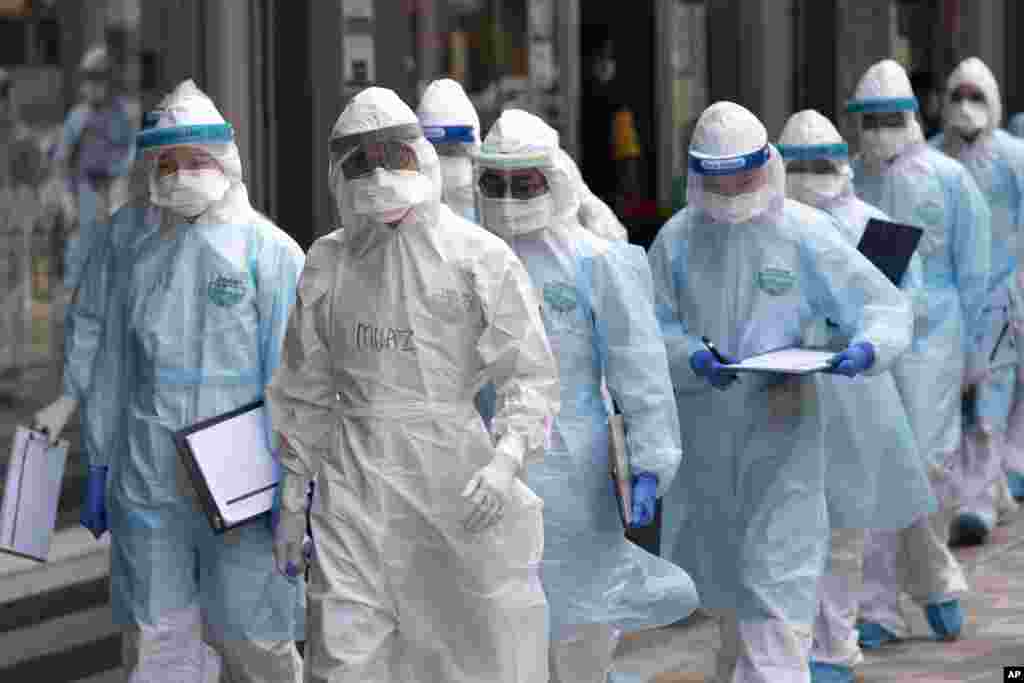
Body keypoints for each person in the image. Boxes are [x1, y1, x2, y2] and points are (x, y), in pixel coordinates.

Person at [266, 87, 560, 683]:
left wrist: (505, 462)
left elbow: (527, 374)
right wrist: (293, 501)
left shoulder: (480, 256)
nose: (377, 174)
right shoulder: (328, 261)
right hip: (355, 478)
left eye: (391, 156)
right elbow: (304, 387)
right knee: (345, 655)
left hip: (453, 478)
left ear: (419, 157)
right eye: (361, 161)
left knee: (464, 650)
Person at [35, 79, 306, 682]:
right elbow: (102, 344)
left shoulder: (268, 251)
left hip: (243, 476)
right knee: (158, 638)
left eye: (196, 161)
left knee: (253, 636)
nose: (182, 175)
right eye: (169, 162)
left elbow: (295, 381)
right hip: (149, 468)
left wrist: (294, 492)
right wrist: (87, 432)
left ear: (225, 163)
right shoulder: (129, 241)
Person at [649, 101, 913, 683]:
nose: (729, 192)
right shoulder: (677, 239)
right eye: (716, 181)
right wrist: (689, 356)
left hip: (783, 427)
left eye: (740, 178)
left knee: (777, 581)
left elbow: (880, 303)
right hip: (708, 434)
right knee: (727, 592)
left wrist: (868, 348)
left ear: (763, 165)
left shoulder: (804, 232)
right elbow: (652, 325)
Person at [473, 108, 698, 683]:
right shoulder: (469, 254)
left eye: (523, 183)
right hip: (482, 459)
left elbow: (638, 368)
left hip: (578, 462)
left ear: (554, 178)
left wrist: (649, 462)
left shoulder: (595, 261)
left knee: (582, 606)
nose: (508, 197)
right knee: (498, 605)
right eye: (494, 183)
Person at [778, 109, 937, 683]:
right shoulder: (769, 228)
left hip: (859, 390)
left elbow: (906, 305)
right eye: (797, 166)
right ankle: (809, 639)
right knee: (796, 526)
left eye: (820, 164)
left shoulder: (875, 225)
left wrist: (865, 339)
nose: (810, 175)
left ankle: (839, 642)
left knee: (853, 522)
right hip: (789, 391)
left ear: (843, 164)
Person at [846, 58, 990, 649]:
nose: (880, 129)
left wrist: (977, 351)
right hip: (874, 345)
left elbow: (976, 269)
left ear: (910, 117)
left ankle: (933, 582)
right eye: (870, 119)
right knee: (876, 472)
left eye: (891, 118)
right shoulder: (849, 179)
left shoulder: (950, 179)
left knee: (929, 470)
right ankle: (878, 606)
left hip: (936, 340)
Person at [932, 57, 1024, 541]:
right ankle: (973, 492)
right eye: (958, 97)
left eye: (976, 97)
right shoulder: (928, 160)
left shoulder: (1014, 157)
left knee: (990, 402)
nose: (966, 108)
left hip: (999, 301)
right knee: (950, 406)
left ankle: (978, 503)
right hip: (946, 307)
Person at [417, 78, 628, 242]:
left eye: (454, 148)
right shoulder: (412, 198)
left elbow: (606, 229)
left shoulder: (522, 167)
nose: (445, 158)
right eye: (437, 149)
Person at [53, 44, 136, 292]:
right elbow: (61, 162)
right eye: (89, 77)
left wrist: (125, 186)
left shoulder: (124, 114)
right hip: (85, 193)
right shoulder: (77, 117)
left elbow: (134, 154)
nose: (94, 84)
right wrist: (67, 201)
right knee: (81, 258)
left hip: (117, 192)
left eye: (99, 77)